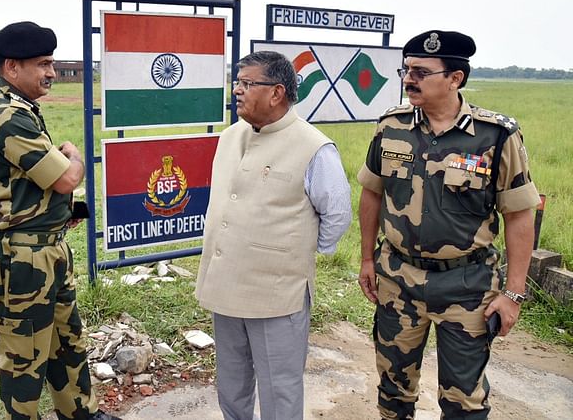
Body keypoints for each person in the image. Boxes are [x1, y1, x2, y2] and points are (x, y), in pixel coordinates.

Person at [357, 30, 541, 419]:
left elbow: (520, 214)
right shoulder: (392, 126)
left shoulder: (495, 135)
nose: (409, 79)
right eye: (406, 70)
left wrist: (514, 293)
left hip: (467, 286)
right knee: (393, 390)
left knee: (463, 400)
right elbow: (372, 192)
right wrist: (367, 261)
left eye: (421, 72)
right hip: (398, 279)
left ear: (455, 78)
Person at [0, 21, 120, 420]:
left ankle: (80, 414)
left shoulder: (21, 108)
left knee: (66, 343)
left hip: (46, 249)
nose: (51, 73)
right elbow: (68, 176)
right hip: (22, 259)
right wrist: (73, 153)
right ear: (12, 67)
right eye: (43, 64)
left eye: (52, 63)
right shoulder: (6, 115)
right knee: (24, 359)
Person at [196, 50, 352, 420]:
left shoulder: (313, 147)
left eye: (247, 83)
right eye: (237, 82)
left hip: (276, 294)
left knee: (279, 390)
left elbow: (337, 213)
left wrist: (294, 254)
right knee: (231, 385)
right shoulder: (230, 137)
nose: (237, 91)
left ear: (277, 92)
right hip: (225, 286)